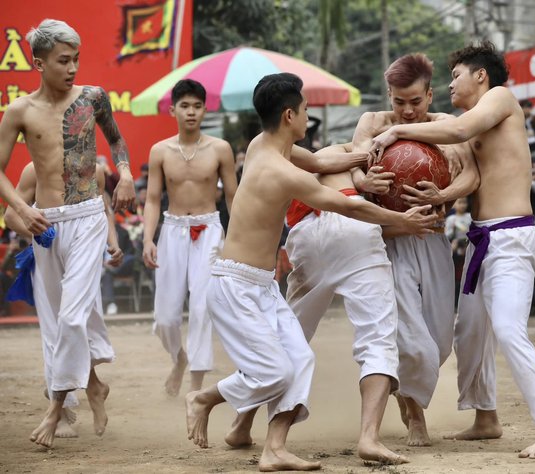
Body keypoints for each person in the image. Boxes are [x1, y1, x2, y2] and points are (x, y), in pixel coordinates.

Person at [184, 73, 435, 471]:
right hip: (235, 284)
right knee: (275, 370)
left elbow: (319, 161)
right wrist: (401, 219)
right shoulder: (279, 170)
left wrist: (360, 154)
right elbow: (348, 206)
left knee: (300, 360)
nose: (307, 116)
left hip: (262, 283)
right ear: (289, 115)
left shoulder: (265, 145)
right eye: (304, 111)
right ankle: (206, 397)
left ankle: (274, 449)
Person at [370, 40, 535, 459]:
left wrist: (397, 129)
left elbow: (460, 131)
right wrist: (442, 193)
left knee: (506, 327)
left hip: (512, 236)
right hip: (483, 237)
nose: (451, 85)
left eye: (456, 76)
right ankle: (486, 417)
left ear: (480, 75)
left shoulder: (499, 99)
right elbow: (474, 177)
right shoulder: (477, 119)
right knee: (470, 333)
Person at [0, 19, 135, 447]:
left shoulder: (93, 97)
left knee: (74, 316)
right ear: (38, 63)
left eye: (76, 58)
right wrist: (23, 208)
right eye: (63, 60)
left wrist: (127, 173)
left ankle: (56, 407)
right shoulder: (20, 111)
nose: (72, 67)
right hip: (47, 224)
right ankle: (93, 386)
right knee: (59, 324)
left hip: (89, 216)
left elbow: (115, 141)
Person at [349, 52, 479, 447]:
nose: (406, 111)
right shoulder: (372, 123)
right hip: (387, 239)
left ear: (430, 95)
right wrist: (363, 180)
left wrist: (444, 193)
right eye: (398, 101)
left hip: (433, 236)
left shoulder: (447, 126)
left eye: (415, 101)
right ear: (388, 95)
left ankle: (407, 392)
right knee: (410, 338)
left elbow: (473, 175)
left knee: (439, 341)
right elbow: (352, 164)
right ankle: (413, 413)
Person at [5, 162, 123, 439]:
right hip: (47, 256)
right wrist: (40, 232)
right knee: (54, 332)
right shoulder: (33, 170)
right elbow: (11, 216)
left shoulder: (95, 169)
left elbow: (103, 209)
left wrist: (112, 242)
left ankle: (74, 398)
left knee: (78, 321)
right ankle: (69, 407)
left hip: (83, 256)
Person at [142, 79, 237, 397]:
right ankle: (179, 359)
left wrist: (236, 238)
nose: (191, 112)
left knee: (201, 308)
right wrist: (148, 239)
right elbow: (153, 199)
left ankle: (195, 390)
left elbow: (233, 199)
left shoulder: (220, 149)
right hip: (171, 231)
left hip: (209, 230)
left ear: (205, 109)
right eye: (185, 106)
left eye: (197, 105)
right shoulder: (160, 151)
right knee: (165, 316)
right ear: (173, 110)